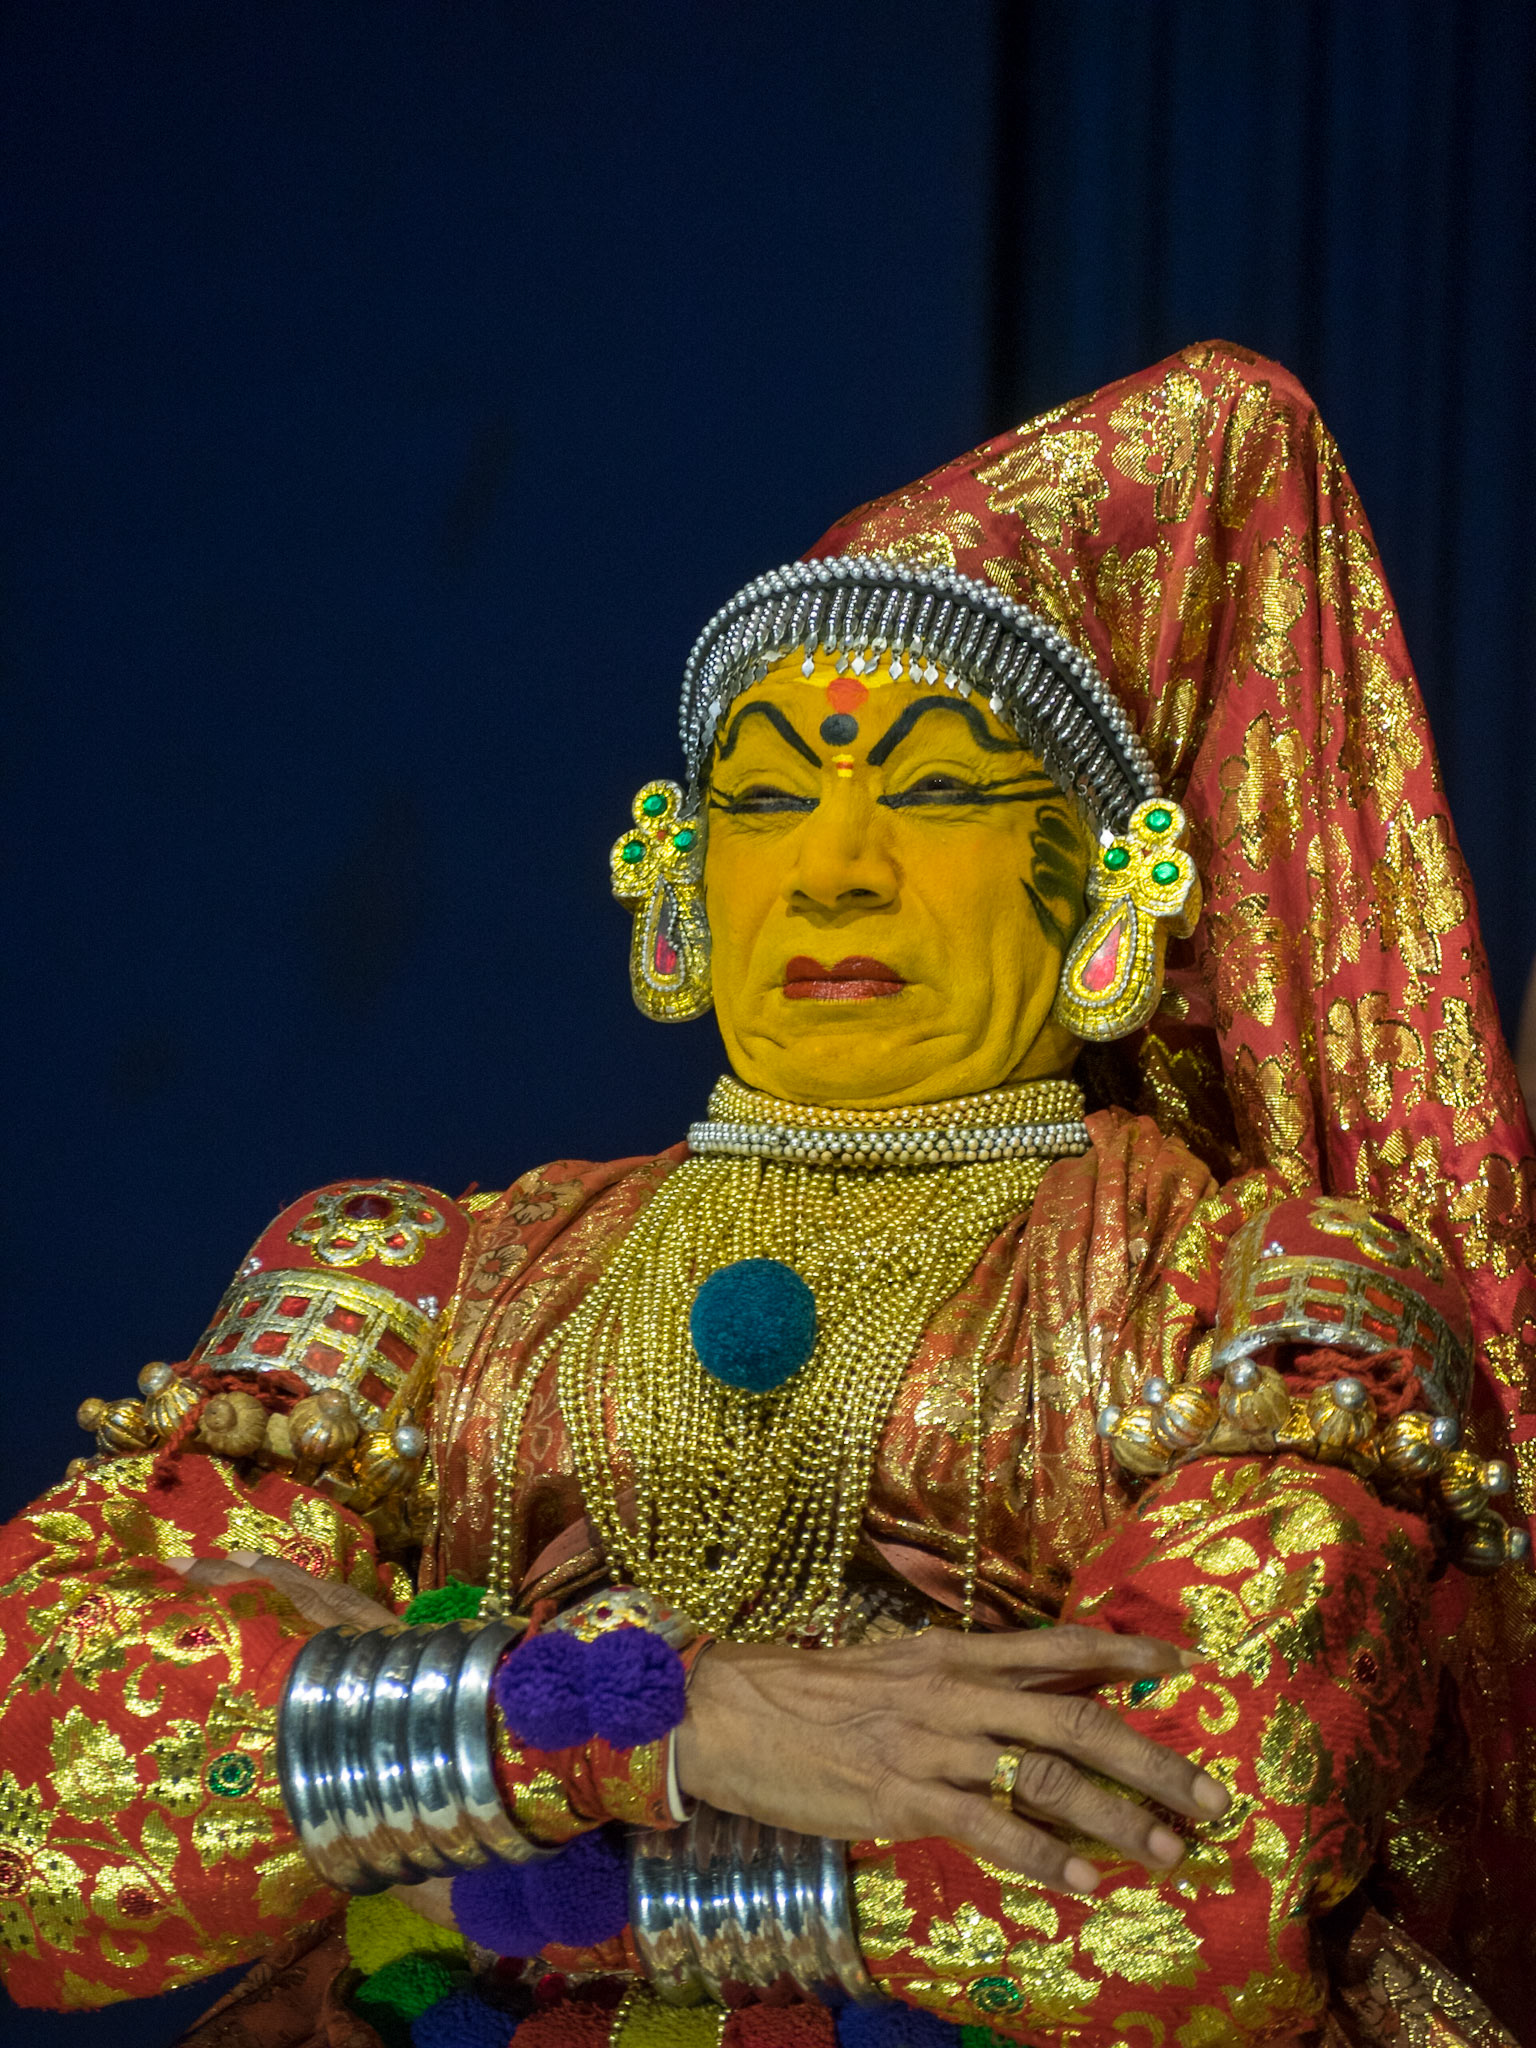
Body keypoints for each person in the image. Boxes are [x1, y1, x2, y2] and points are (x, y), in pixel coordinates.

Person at [1, 342, 1532, 2048]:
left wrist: (445, 1864)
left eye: (939, 789)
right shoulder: (411, 1273)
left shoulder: (1280, 1297)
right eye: (765, 791)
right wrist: (668, 1718)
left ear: (1109, 889)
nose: (835, 860)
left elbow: (1189, 1885)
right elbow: (43, 1807)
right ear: (683, 867)